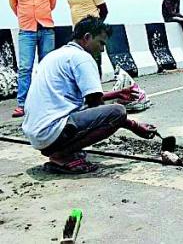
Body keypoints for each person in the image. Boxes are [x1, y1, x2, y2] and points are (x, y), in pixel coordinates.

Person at [22, 16, 158, 174]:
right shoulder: (83, 58)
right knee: (118, 112)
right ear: (87, 37)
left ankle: (61, 149)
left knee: (106, 111)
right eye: (101, 43)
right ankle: (61, 154)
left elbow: (83, 99)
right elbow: (96, 104)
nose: (102, 49)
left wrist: (116, 93)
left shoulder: (55, 56)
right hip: (51, 132)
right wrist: (134, 125)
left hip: (37, 133)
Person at [8, 0, 57, 118]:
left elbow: (52, 3)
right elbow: (14, 4)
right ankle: (22, 104)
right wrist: (26, 17)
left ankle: (47, 102)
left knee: (47, 67)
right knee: (25, 68)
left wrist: (40, 16)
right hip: (26, 30)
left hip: (46, 29)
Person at [66, 0, 108, 75]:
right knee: (80, 63)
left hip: (91, 33)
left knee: (94, 61)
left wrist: (95, 27)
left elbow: (104, 10)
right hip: (77, 32)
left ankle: (97, 88)